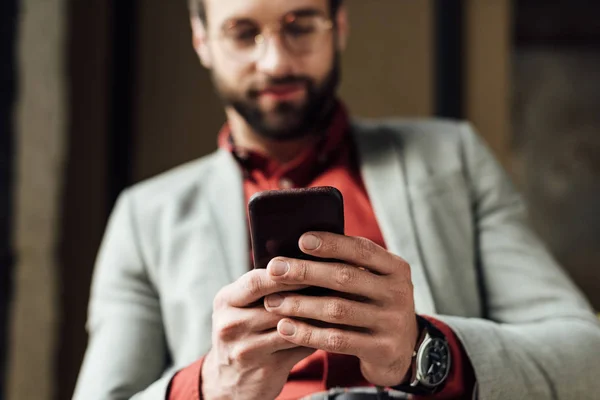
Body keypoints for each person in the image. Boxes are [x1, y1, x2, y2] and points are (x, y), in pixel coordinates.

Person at [73, 0, 600, 399]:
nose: (276, 62)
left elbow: (586, 357)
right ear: (202, 40)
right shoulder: (144, 216)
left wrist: (422, 349)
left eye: (301, 25)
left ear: (339, 26)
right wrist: (210, 384)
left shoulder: (454, 159)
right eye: (243, 32)